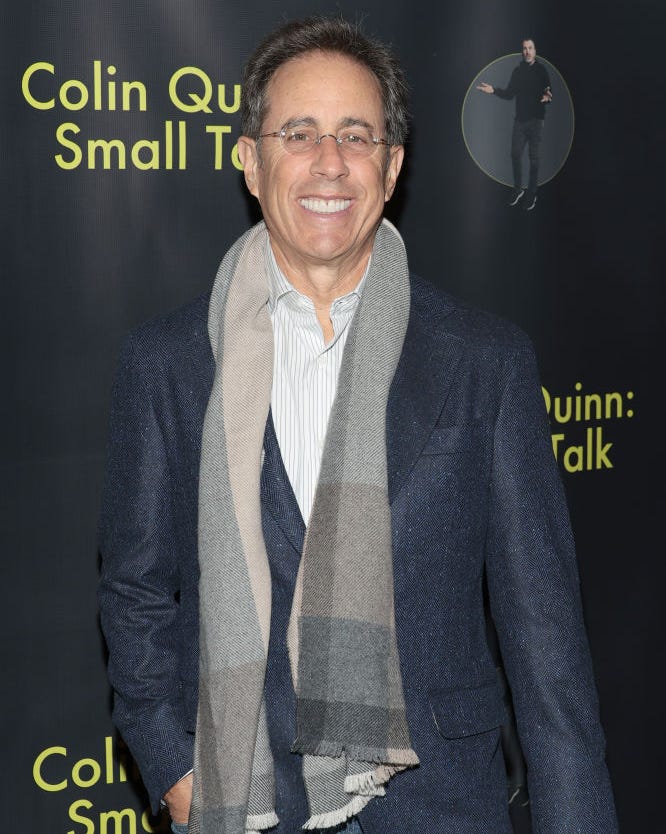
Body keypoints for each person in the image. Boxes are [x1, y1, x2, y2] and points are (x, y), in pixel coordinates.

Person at [98, 17, 618, 834]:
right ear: (250, 160)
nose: (329, 163)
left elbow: (545, 640)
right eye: (297, 133)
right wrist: (174, 770)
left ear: (392, 165)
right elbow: (134, 590)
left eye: (356, 135)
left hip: (444, 804)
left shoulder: (485, 362)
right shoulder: (166, 363)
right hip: (244, 802)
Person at [477, 39, 552, 211]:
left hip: (536, 121)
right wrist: (493, 90)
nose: (527, 51)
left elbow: (548, 90)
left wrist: (548, 96)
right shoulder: (517, 71)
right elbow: (510, 94)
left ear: (535, 50)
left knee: (534, 160)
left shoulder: (542, 70)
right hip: (520, 121)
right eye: (524, 48)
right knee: (515, 154)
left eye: (530, 48)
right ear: (522, 51)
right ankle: (518, 189)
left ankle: (532, 193)